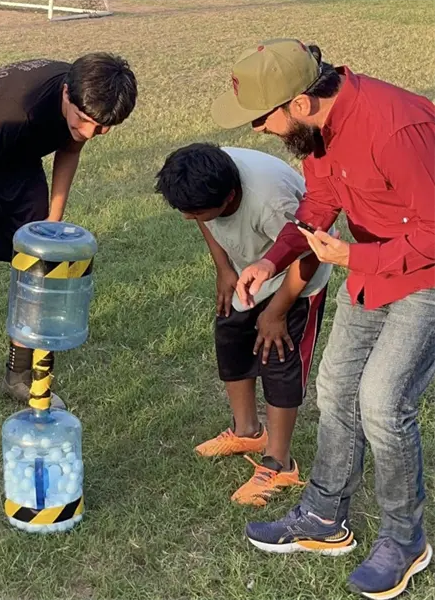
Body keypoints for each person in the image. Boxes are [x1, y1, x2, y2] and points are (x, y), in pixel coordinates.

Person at [212, 38, 434, 598]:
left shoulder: (396, 128)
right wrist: (269, 259)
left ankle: (406, 540)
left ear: (302, 102)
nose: (261, 129)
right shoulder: (318, 133)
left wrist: (352, 257)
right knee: (336, 389)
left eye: (265, 117)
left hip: (423, 273)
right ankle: (322, 518)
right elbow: (318, 206)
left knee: (383, 403)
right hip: (370, 267)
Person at [0, 54, 138, 443]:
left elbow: (69, 150)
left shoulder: (86, 101)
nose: (88, 132)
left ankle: (18, 376)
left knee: (37, 270)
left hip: (20, 163)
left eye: (101, 128)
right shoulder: (20, 109)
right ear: (66, 93)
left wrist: (52, 226)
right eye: (84, 121)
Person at [155, 143, 330, 506]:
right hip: (250, 271)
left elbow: (310, 251)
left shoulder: (272, 201)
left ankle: (280, 464)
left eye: (197, 211)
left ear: (231, 195)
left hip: (298, 279)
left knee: (280, 361)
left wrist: (277, 311)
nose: (190, 218)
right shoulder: (205, 173)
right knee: (231, 339)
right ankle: (247, 431)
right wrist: (223, 268)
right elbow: (204, 218)